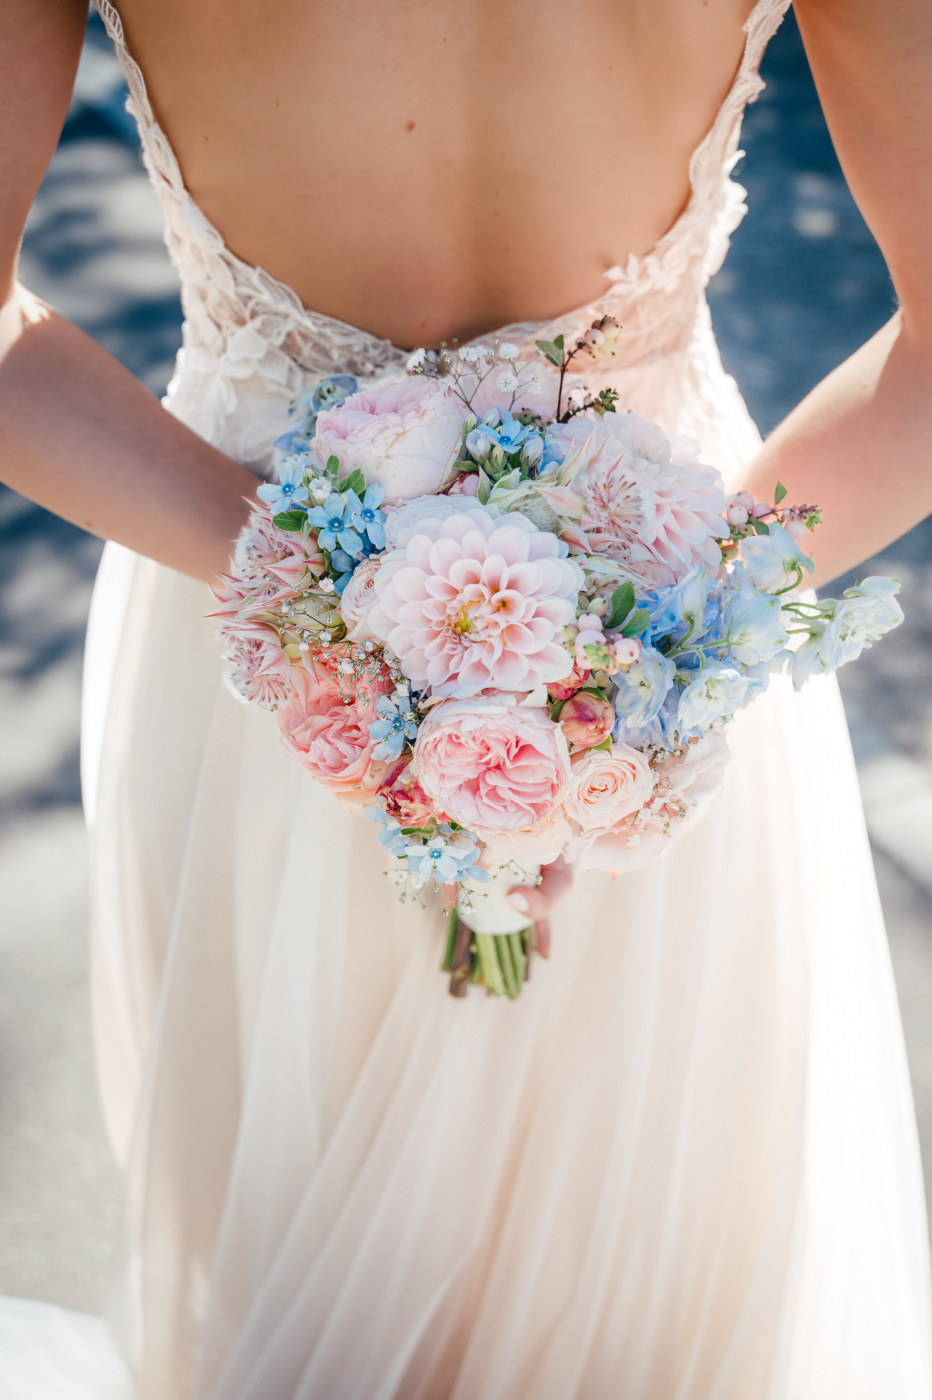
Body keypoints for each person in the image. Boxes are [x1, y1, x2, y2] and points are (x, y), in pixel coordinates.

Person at [2, 1, 932, 1395]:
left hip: (259, 635)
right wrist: (661, 646)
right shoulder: (656, 642)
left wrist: (326, 594)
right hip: (658, 616)